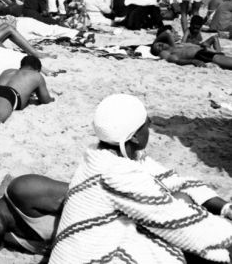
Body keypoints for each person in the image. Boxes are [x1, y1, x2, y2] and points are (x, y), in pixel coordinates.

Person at [50, 94, 232, 263]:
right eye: (147, 123)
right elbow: (175, 221)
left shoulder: (101, 154)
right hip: (93, 256)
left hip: (91, 243)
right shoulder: (117, 174)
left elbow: (174, 180)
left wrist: (225, 208)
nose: (150, 126)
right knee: (180, 225)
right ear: (135, 137)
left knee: (180, 198)